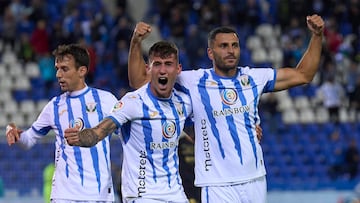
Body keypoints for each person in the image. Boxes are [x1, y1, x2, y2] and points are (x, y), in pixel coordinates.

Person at [127, 14, 324, 203]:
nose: (230, 50)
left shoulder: (254, 78)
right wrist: (136, 42)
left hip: (255, 179)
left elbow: (303, 75)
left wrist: (316, 36)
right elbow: (140, 83)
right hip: (217, 184)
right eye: (223, 46)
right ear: (210, 53)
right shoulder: (193, 81)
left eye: (234, 45)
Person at [64, 41, 193, 203]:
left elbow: (198, 136)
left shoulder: (183, 103)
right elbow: (99, 132)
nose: (162, 70)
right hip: (142, 195)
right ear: (148, 68)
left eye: (168, 64)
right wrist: (80, 137)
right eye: (157, 64)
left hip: (175, 193)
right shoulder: (133, 102)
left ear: (178, 69)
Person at [6, 44, 117, 202]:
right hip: (64, 196)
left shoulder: (106, 100)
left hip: (100, 195)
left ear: (82, 71)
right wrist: (14, 133)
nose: (58, 74)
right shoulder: (54, 106)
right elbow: (28, 140)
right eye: (57, 68)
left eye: (64, 69)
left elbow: (127, 135)